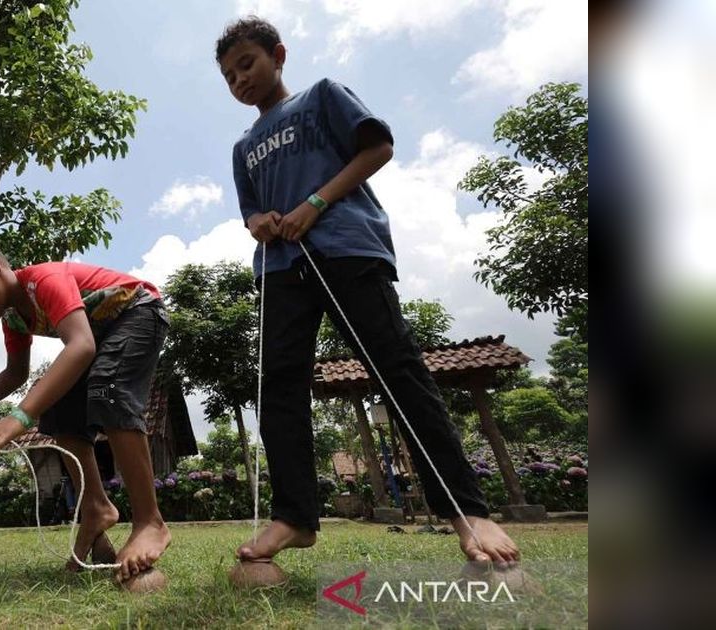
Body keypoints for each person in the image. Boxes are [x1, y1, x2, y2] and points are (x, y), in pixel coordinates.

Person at [215, 16, 520, 568]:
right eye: (229, 76)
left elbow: (377, 147)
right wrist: (260, 222)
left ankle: (467, 511)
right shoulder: (243, 147)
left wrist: (315, 203)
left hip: (347, 246)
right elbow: (250, 213)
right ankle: (294, 517)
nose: (240, 80)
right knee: (279, 385)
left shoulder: (321, 95)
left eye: (247, 64)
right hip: (281, 268)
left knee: (395, 368)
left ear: (278, 55)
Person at [0, 233, 171, 583]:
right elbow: (16, 373)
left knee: (109, 388)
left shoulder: (44, 280)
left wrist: (18, 418)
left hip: (139, 310)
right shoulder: (14, 318)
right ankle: (95, 508)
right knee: (56, 411)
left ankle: (150, 521)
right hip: (100, 337)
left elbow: (81, 345)